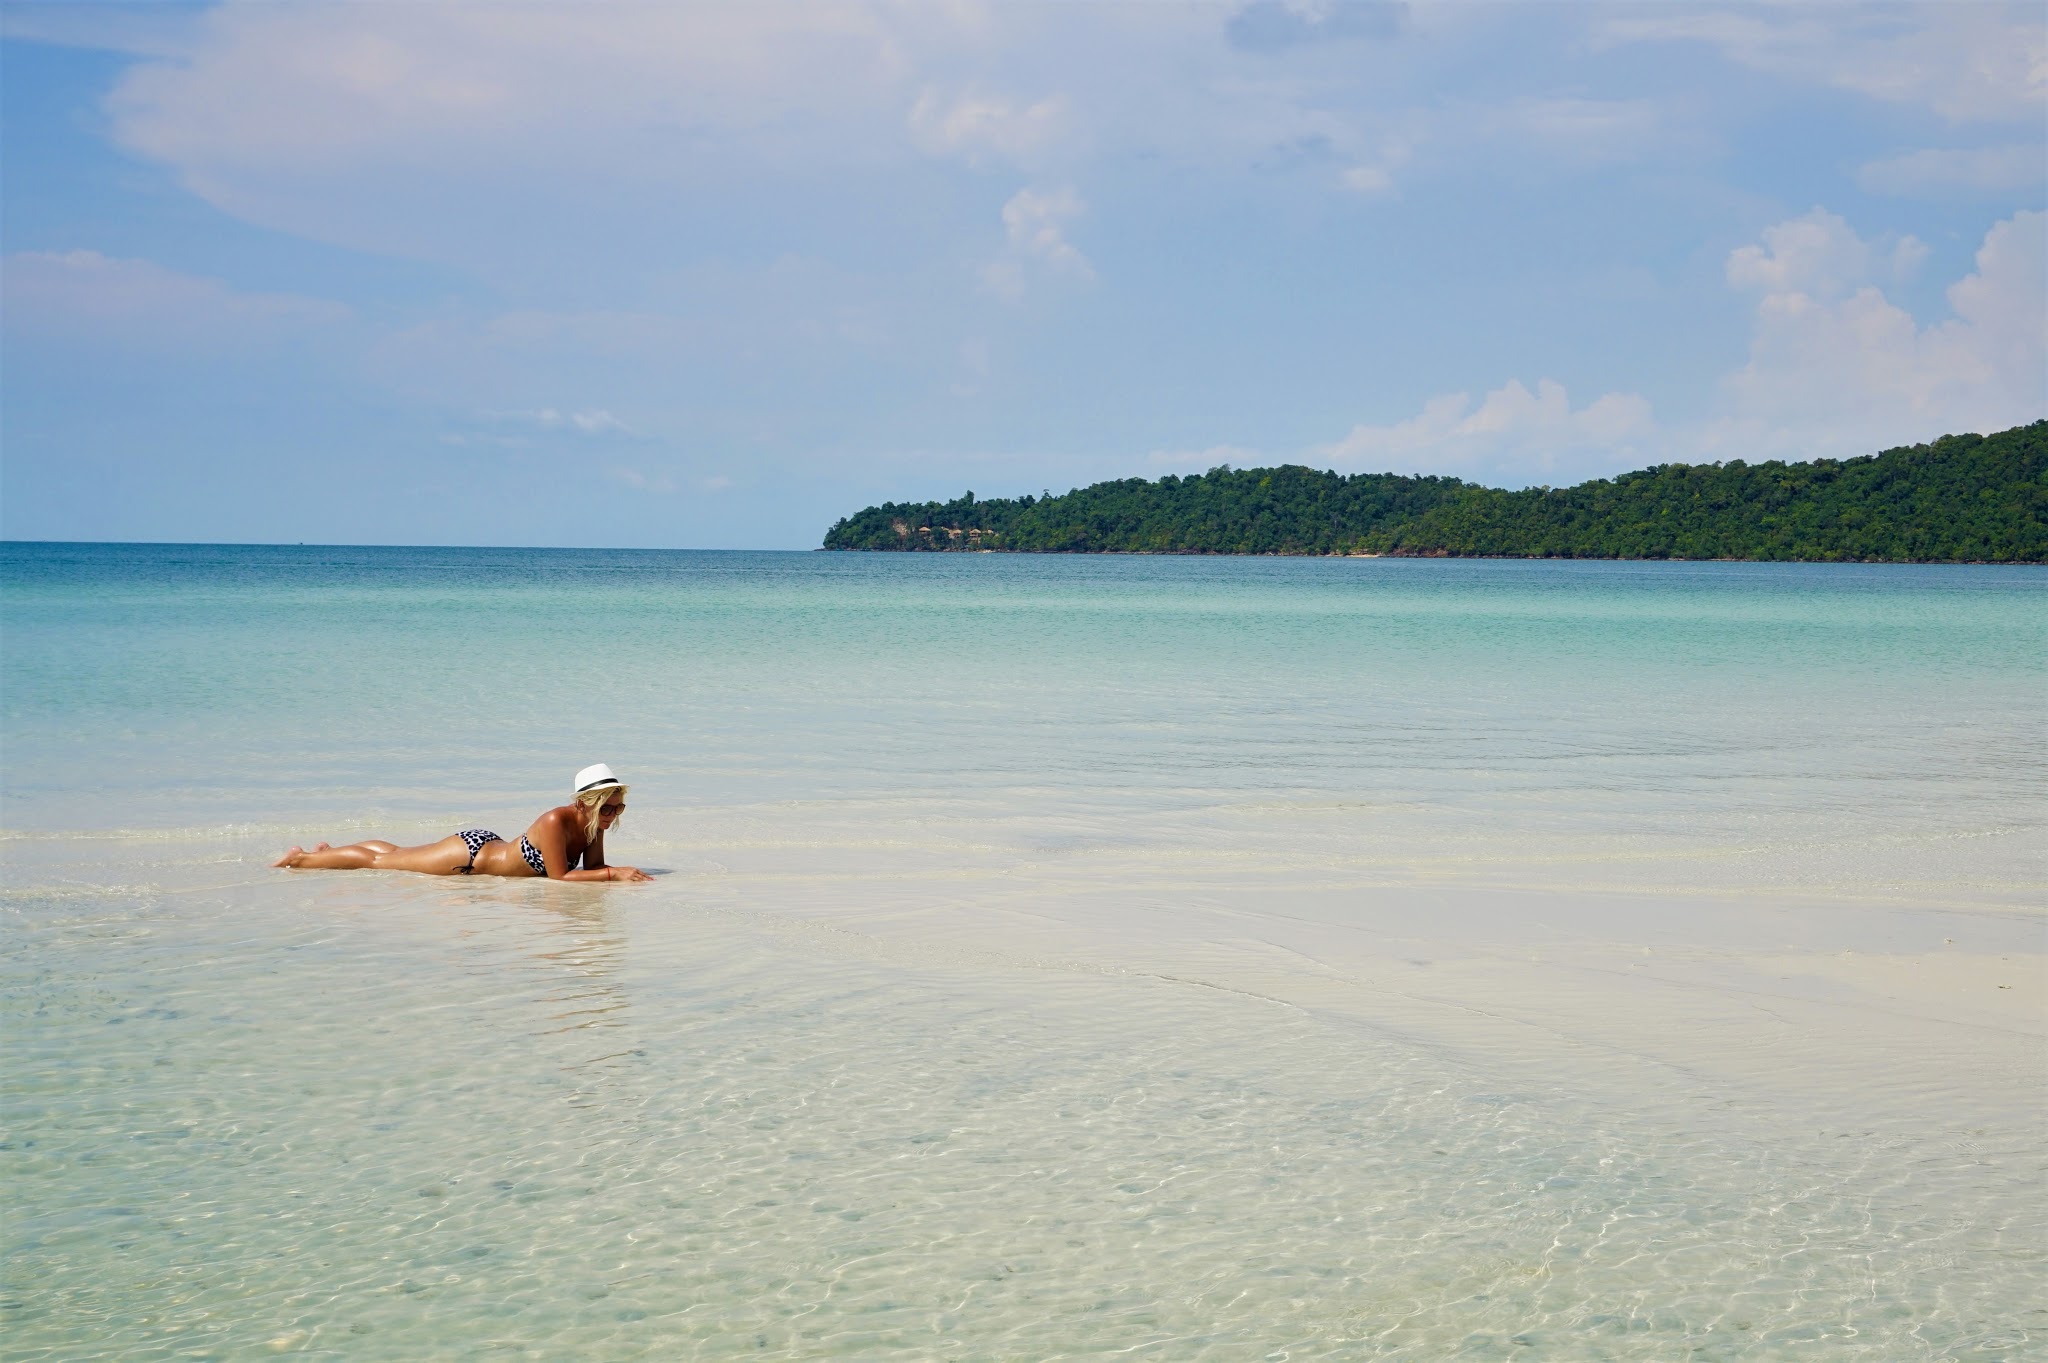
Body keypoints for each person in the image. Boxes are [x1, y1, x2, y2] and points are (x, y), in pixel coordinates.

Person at [272, 764, 651, 881]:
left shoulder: (590, 827)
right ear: (586, 802)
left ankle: (330, 852)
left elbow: (595, 867)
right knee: (380, 861)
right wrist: (615, 876)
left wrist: (614, 872)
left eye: (618, 809)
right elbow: (559, 878)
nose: (613, 816)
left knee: (396, 853)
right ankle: (302, 859)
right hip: (469, 856)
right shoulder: (555, 819)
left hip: (488, 847)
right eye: (607, 808)